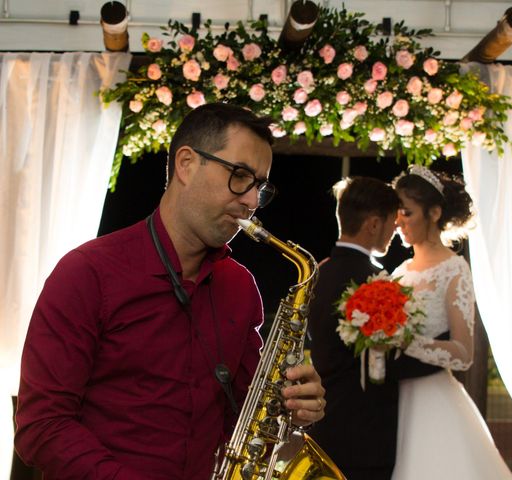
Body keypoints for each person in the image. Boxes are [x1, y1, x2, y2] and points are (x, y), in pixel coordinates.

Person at [14, 103, 326, 480]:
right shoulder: (86, 273)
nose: (251, 201)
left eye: (260, 186)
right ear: (186, 163)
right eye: (240, 176)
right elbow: (41, 427)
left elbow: (245, 412)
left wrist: (291, 406)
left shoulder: (240, 287)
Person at [307, 176, 444, 480]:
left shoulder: (318, 273)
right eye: (391, 225)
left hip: (323, 430)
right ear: (373, 224)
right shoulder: (374, 282)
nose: (395, 232)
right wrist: (444, 352)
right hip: (366, 436)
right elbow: (389, 363)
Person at [390, 165, 512, 479]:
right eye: (397, 212)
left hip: (433, 399)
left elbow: (463, 352)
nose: (398, 221)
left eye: (407, 212)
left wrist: (407, 343)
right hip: (392, 397)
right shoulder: (400, 271)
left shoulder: (454, 269)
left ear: (433, 213)